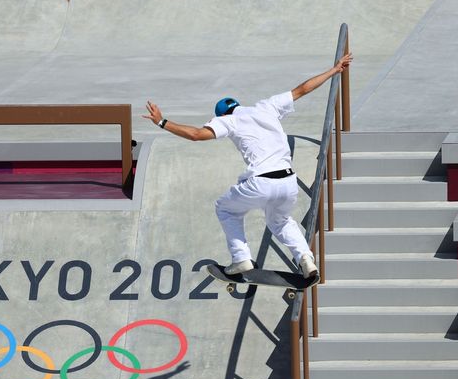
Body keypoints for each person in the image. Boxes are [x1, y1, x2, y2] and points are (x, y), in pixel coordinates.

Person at [144, 53, 353, 277]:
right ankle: (306, 260)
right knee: (280, 222)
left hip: (261, 182)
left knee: (225, 208)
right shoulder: (267, 107)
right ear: (238, 105)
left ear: (221, 115)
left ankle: (241, 259)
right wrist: (334, 70)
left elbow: (196, 134)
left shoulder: (228, 120)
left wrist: (162, 122)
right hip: (288, 182)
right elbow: (302, 89)